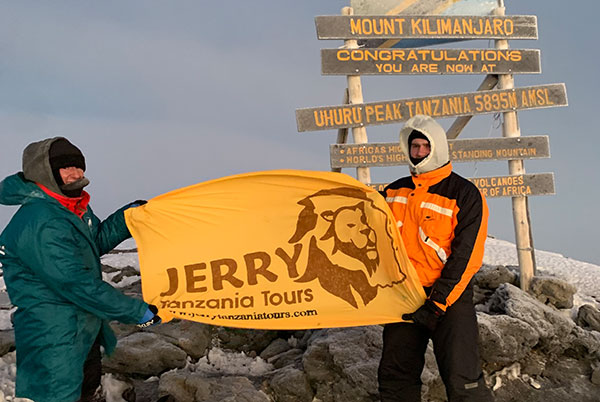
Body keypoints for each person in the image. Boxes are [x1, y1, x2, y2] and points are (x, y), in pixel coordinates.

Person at [0, 137, 161, 402]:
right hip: (53, 335)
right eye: (66, 167)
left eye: (79, 166)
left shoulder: (70, 208)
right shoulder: (42, 220)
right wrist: (136, 311)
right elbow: (76, 283)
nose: (76, 173)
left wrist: (127, 218)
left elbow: (92, 243)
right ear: (45, 173)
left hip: (78, 328)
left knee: (86, 392)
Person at [378, 115, 493, 401]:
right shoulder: (393, 191)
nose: (418, 153)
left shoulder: (465, 194)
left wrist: (437, 303)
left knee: (463, 379)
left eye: (424, 146)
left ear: (438, 147)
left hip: (449, 300)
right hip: (405, 296)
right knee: (396, 377)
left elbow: (467, 256)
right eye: (414, 146)